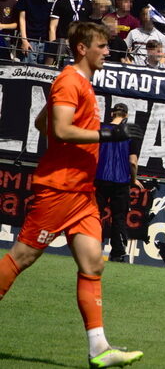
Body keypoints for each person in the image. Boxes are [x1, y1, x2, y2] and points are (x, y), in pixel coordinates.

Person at [0, 22, 143, 367]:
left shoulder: (80, 84)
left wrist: (98, 133)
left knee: (93, 263)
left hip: (81, 192)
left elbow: (43, 124)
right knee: (22, 257)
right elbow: (61, 129)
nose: (107, 51)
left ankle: (99, 349)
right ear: (82, 48)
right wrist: (108, 134)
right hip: (59, 189)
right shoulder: (69, 81)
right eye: (102, 46)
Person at [94, 104, 142, 263]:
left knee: (94, 215)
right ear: (126, 115)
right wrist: (133, 179)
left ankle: (90, 248)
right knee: (119, 218)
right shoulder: (131, 133)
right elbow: (133, 161)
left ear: (112, 113)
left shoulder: (100, 129)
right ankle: (118, 253)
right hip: (121, 181)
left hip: (100, 178)